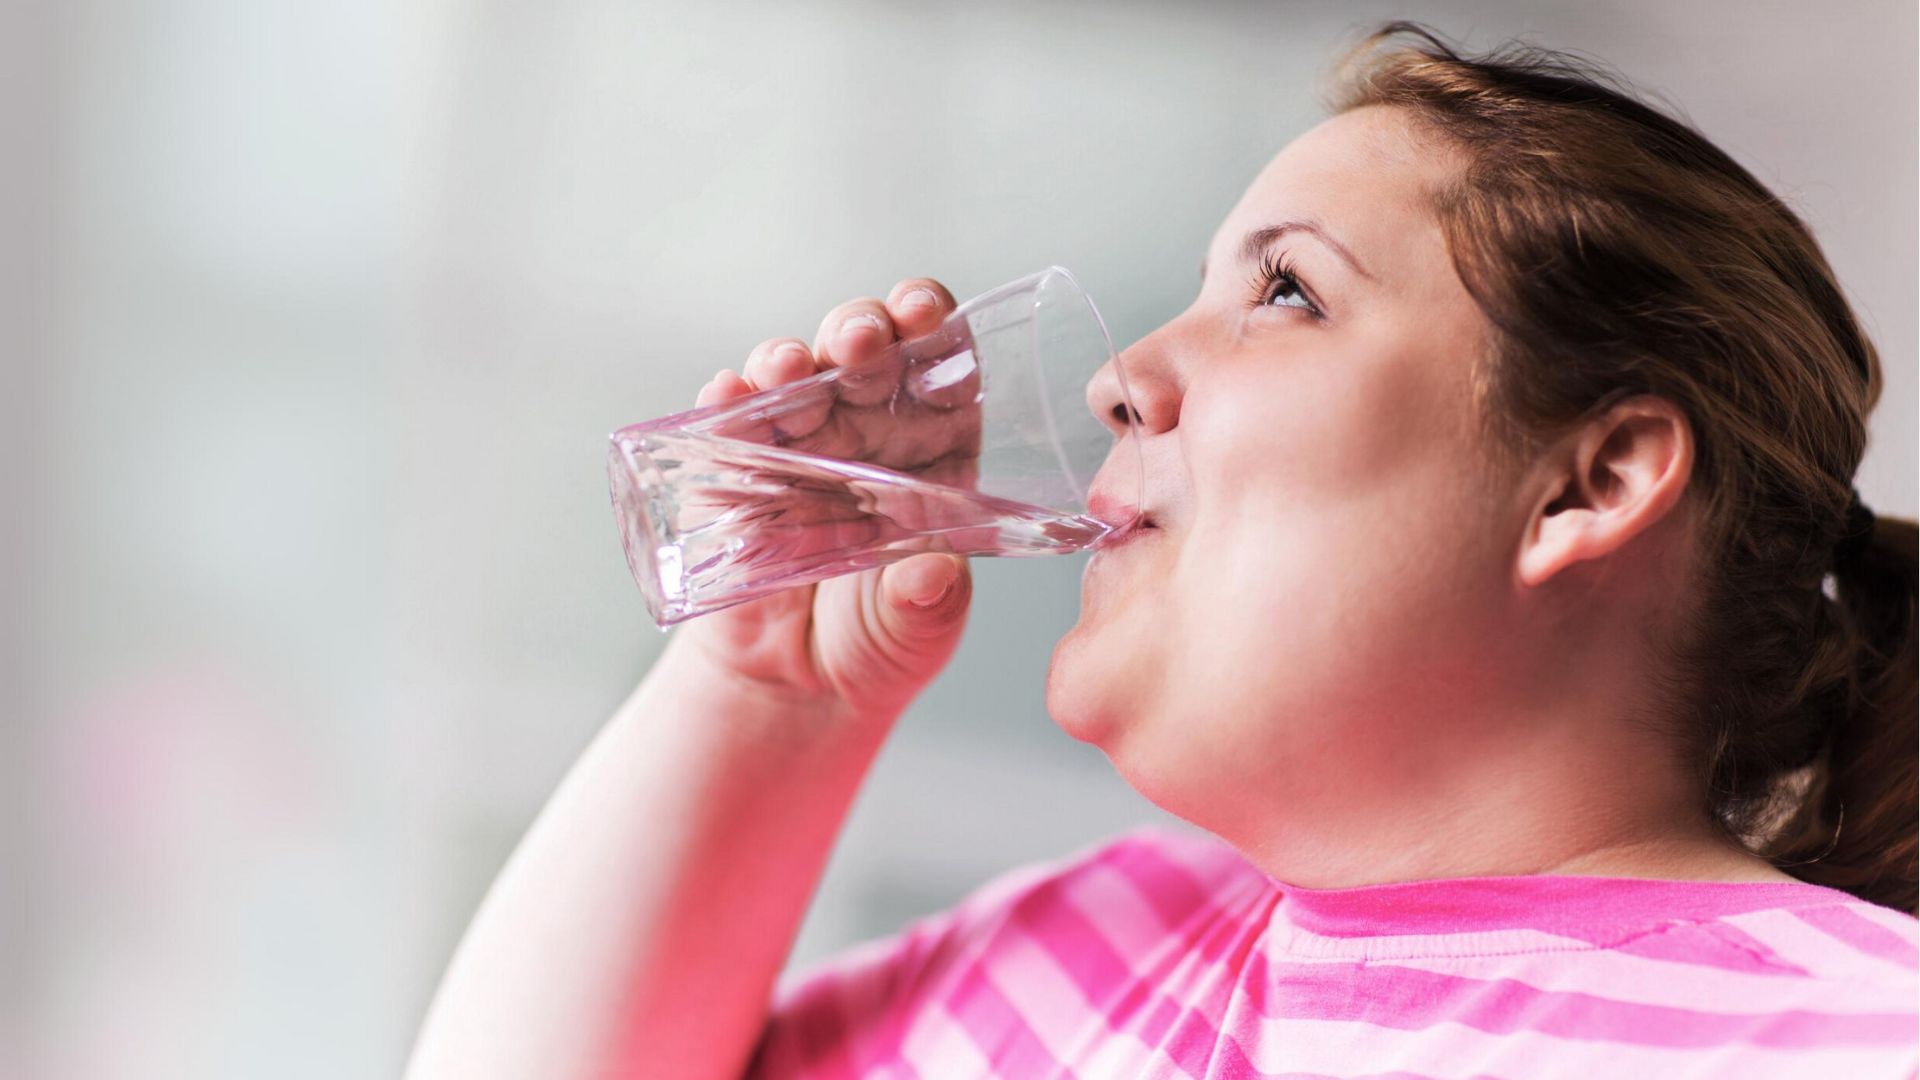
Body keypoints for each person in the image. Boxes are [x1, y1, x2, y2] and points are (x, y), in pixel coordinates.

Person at [406, 23, 1919, 1080]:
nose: (1119, 373)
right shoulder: (1088, 943)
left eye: (1285, 295)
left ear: (1591, 483)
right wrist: (769, 702)